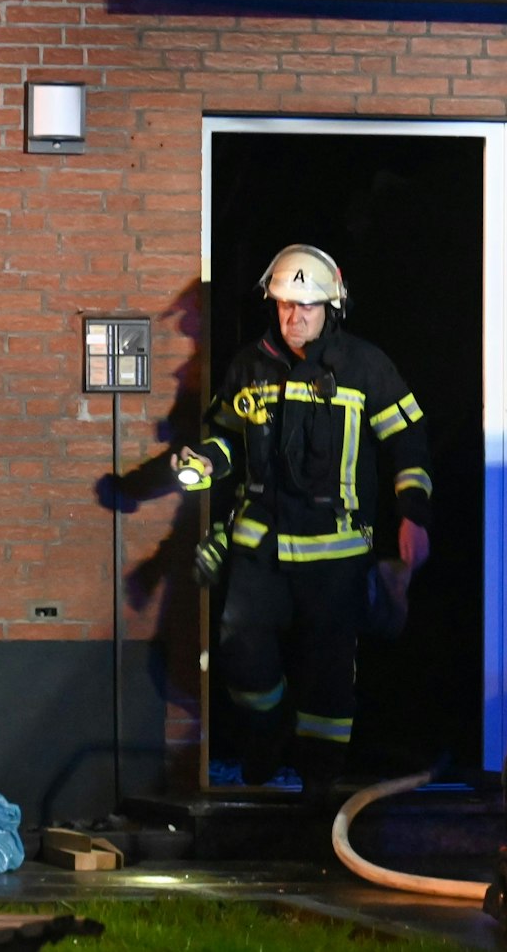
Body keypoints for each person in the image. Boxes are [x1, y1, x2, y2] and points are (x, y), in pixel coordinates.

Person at [172, 244, 433, 805]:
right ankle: (266, 734)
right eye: (286, 306)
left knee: (328, 675)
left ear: (332, 309)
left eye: (307, 307)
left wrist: (414, 516)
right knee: (241, 652)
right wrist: (201, 463)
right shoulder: (250, 365)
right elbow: (225, 438)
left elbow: (407, 443)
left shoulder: (364, 367)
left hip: (334, 552)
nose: (295, 317)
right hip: (260, 547)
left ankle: (320, 780)